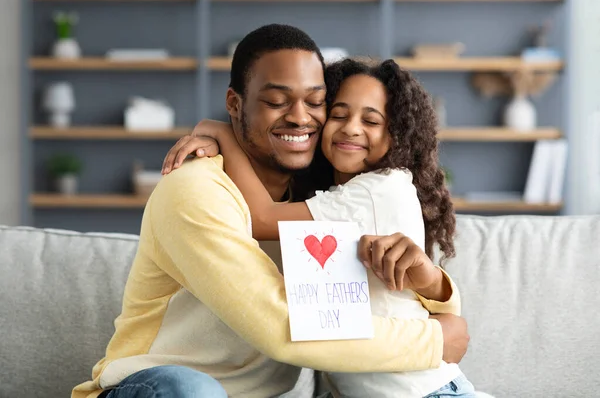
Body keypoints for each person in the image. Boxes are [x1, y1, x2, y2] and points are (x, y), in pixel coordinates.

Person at [72, 24, 469, 398]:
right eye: (277, 101)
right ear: (235, 103)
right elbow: (280, 325)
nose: (299, 116)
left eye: (316, 103)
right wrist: (436, 341)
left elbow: (371, 296)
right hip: (160, 387)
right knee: (191, 390)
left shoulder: (315, 196)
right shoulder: (194, 190)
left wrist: (438, 292)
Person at [162, 57, 476, 398]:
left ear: (397, 136)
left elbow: (261, 217)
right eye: (339, 115)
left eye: (371, 120)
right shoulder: (334, 198)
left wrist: (223, 132)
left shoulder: (377, 190)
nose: (351, 128)